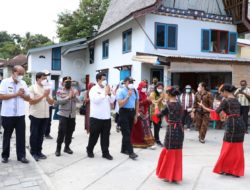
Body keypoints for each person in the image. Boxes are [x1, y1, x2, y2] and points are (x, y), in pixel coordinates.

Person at [199, 84, 245, 177]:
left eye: (221, 92)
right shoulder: (237, 100)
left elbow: (215, 112)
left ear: (225, 92)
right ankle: (236, 170)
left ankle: (226, 168)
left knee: (228, 146)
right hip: (240, 124)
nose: (221, 94)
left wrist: (203, 107)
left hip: (231, 124)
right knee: (237, 147)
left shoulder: (226, 101)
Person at [0, 66, 30, 164]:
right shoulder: (5, 82)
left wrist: (23, 95)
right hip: (7, 114)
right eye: (20, 73)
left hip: (20, 115)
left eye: (23, 74)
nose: (21, 76)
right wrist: (16, 94)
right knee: (7, 136)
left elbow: (28, 98)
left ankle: (21, 156)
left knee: (21, 136)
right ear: (13, 72)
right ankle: (5, 156)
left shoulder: (23, 83)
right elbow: (1, 96)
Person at [156, 86, 184, 183]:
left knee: (169, 151)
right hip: (180, 130)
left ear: (168, 95)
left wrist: (156, 107)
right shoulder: (180, 105)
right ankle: (176, 176)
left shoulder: (168, 105)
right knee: (177, 152)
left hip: (172, 129)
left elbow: (159, 116)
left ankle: (168, 175)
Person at [86, 72, 115, 160]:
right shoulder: (93, 89)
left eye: (105, 79)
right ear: (98, 80)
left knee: (105, 137)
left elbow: (112, 100)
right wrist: (104, 94)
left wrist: (109, 93)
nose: (105, 81)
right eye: (103, 79)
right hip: (96, 118)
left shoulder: (107, 89)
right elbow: (95, 100)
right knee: (94, 136)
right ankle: (89, 149)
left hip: (106, 118)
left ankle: (105, 153)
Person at [29, 72, 54, 161]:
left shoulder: (47, 88)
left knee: (41, 135)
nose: (45, 80)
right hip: (35, 114)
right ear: (38, 79)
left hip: (45, 115)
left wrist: (47, 96)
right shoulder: (32, 88)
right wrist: (43, 96)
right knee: (34, 134)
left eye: (45, 78)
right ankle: (33, 152)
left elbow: (51, 102)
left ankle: (39, 151)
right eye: (43, 78)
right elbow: (31, 101)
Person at [55, 76, 79, 156]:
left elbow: (79, 100)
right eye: (67, 81)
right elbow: (58, 102)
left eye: (70, 81)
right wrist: (68, 97)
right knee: (61, 132)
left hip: (72, 115)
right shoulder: (60, 91)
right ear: (63, 82)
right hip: (63, 114)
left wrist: (74, 96)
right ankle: (58, 149)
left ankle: (67, 147)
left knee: (70, 131)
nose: (69, 83)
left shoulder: (74, 90)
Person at [117, 76, 139, 160]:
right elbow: (120, 104)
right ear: (125, 82)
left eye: (132, 82)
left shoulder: (136, 91)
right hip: (124, 112)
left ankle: (123, 149)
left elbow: (137, 103)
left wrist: (136, 115)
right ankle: (131, 152)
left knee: (128, 132)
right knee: (126, 132)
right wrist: (128, 96)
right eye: (129, 82)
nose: (131, 83)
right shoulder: (121, 91)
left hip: (132, 112)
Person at [131, 81, 155, 148]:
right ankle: (139, 142)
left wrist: (149, 101)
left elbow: (146, 103)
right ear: (140, 87)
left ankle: (148, 142)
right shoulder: (137, 93)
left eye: (145, 87)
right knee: (140, 129)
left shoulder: (145, 93)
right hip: (139, 113)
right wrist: (146, 101)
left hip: (145, 113)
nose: (144, 88)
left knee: (147, 128)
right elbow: (137, 103)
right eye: (143, 87)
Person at [150, 82, 164, 146]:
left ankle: (156, 139)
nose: (160, 89)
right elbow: (153, 102)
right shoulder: (153, 94)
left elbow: (163, 102)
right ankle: (157, 140)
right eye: (159, 87)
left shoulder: (162, 94)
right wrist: (160, 98)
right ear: (156, 87)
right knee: (156, 126)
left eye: (161, 88)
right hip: (154, 113)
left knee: (158, 127)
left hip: (160, 113)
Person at [42, 70, 54, 139]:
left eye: (48, 75)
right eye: (46, 75)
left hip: (49, 104)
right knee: (42, 119)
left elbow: (51, 93)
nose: (47, 76)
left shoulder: (51, 83)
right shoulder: (40, 83)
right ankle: (42, 133)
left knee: (49, 120)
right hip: (42, 103)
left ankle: (47, 133)